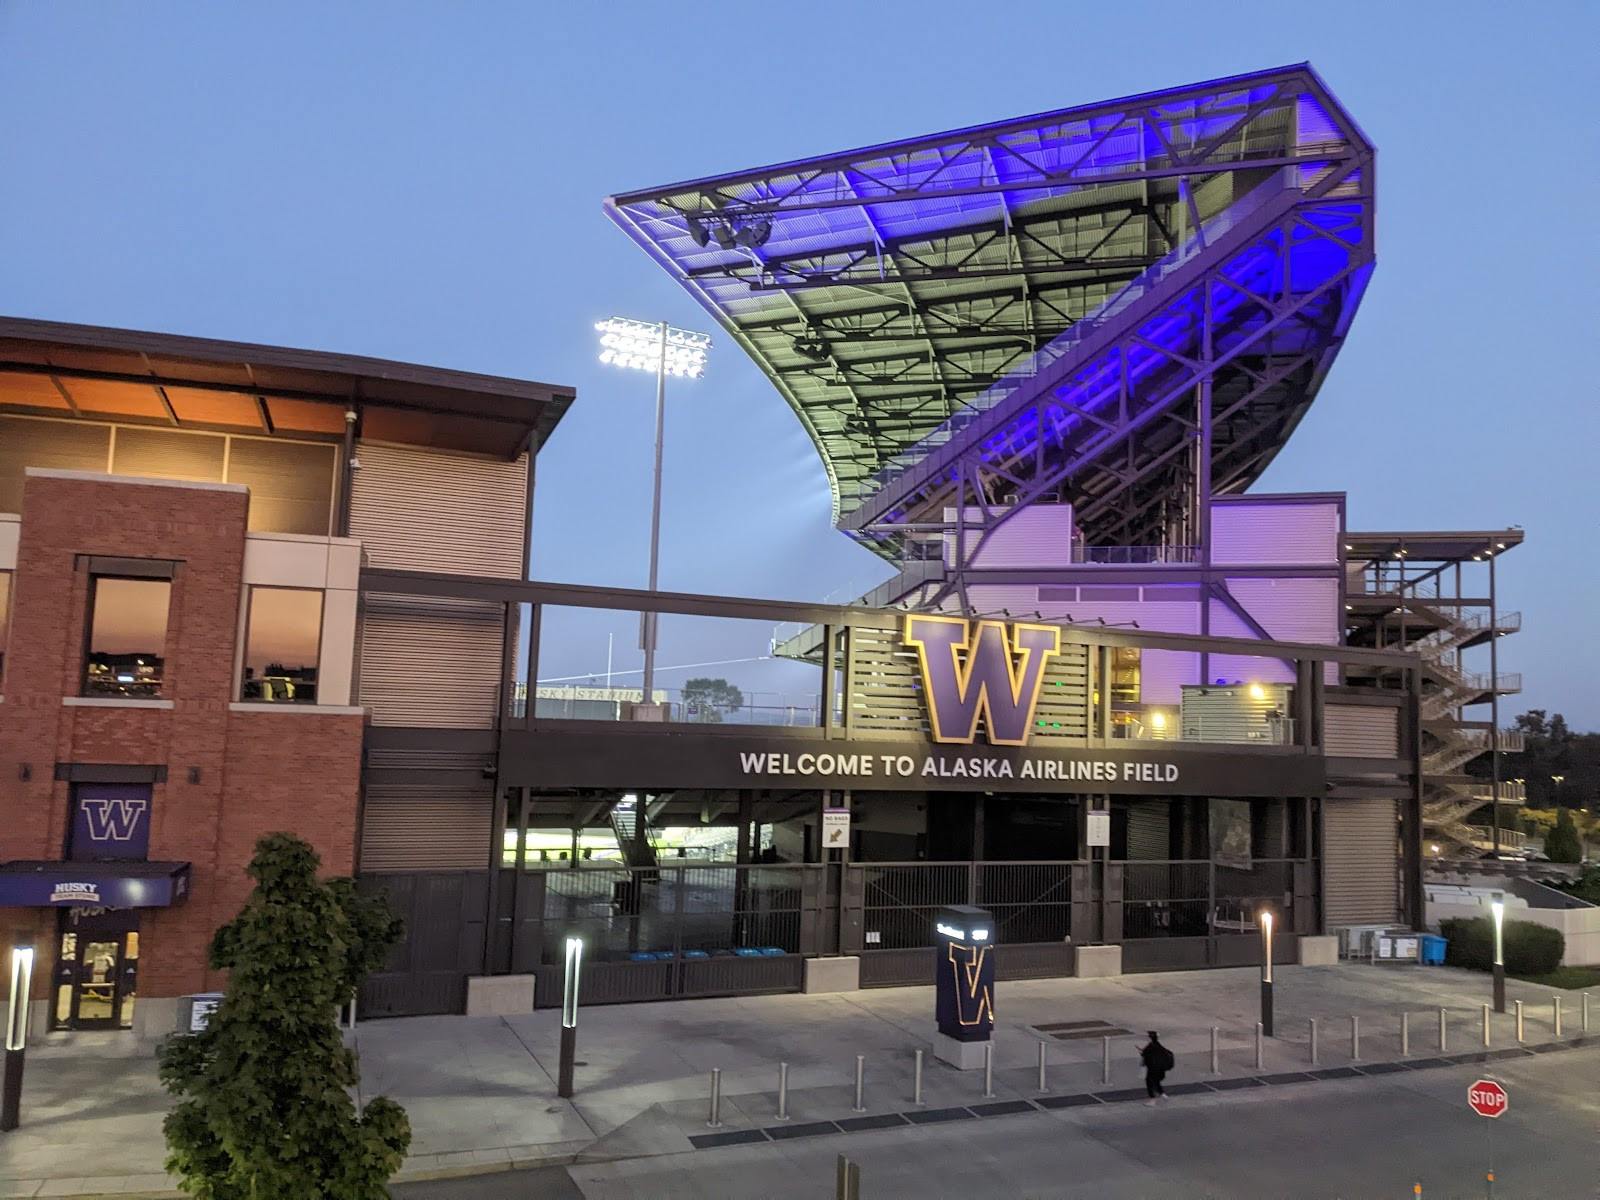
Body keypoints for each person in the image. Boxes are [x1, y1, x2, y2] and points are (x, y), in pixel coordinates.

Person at [1140, 1031, 1174, 1105]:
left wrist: (1142, 1052)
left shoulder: (1150, 1046)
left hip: (1153, 1068)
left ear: (1149, 1038)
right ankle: (1162, 1093)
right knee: (1156, 1081)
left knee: (1149, 1082)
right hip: (1160, 1069)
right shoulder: (1158, 1044)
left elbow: (1144, 1054)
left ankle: (1152, 1100)